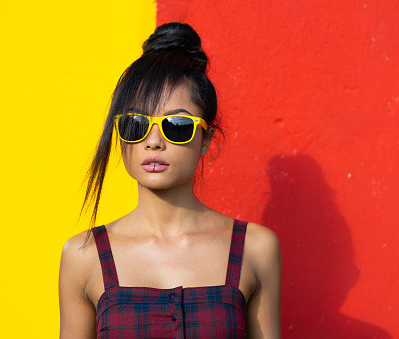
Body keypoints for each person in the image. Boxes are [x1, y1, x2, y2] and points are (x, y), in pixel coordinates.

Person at [59, 22, 281, 339]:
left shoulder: (255, 249)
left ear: (206, 138)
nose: (153, 142)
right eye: (136, 123)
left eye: (175, 125)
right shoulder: (83, 255)